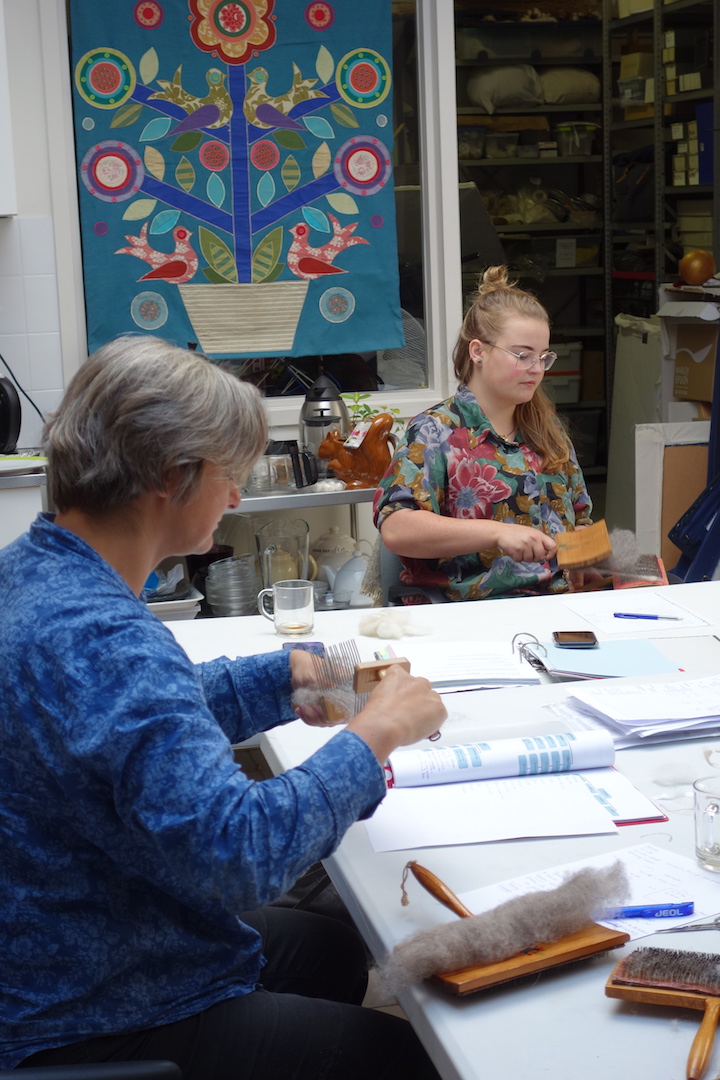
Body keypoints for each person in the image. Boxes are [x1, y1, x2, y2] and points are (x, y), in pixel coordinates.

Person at [0, 337, 447, 1080]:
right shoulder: (106, 636)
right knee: (413, 1059)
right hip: (85, 1007)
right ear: (169, 476)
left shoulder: (36, 571)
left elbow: (138, 714)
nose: (236, 498)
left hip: (60, 931)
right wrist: (376, 735)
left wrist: (296, 677)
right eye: (229, 476)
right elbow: (240, 855)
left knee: (332, 952)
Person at [374, 266, 593, 601]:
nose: (536, 369)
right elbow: (396, 529)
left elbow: (580, 517)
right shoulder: (434, 431)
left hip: (559, 603)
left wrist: (584, 558)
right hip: (470, 611)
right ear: (478, 351)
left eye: (543, 357)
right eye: (522, 355)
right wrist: (496, 533)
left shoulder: (547, 428)